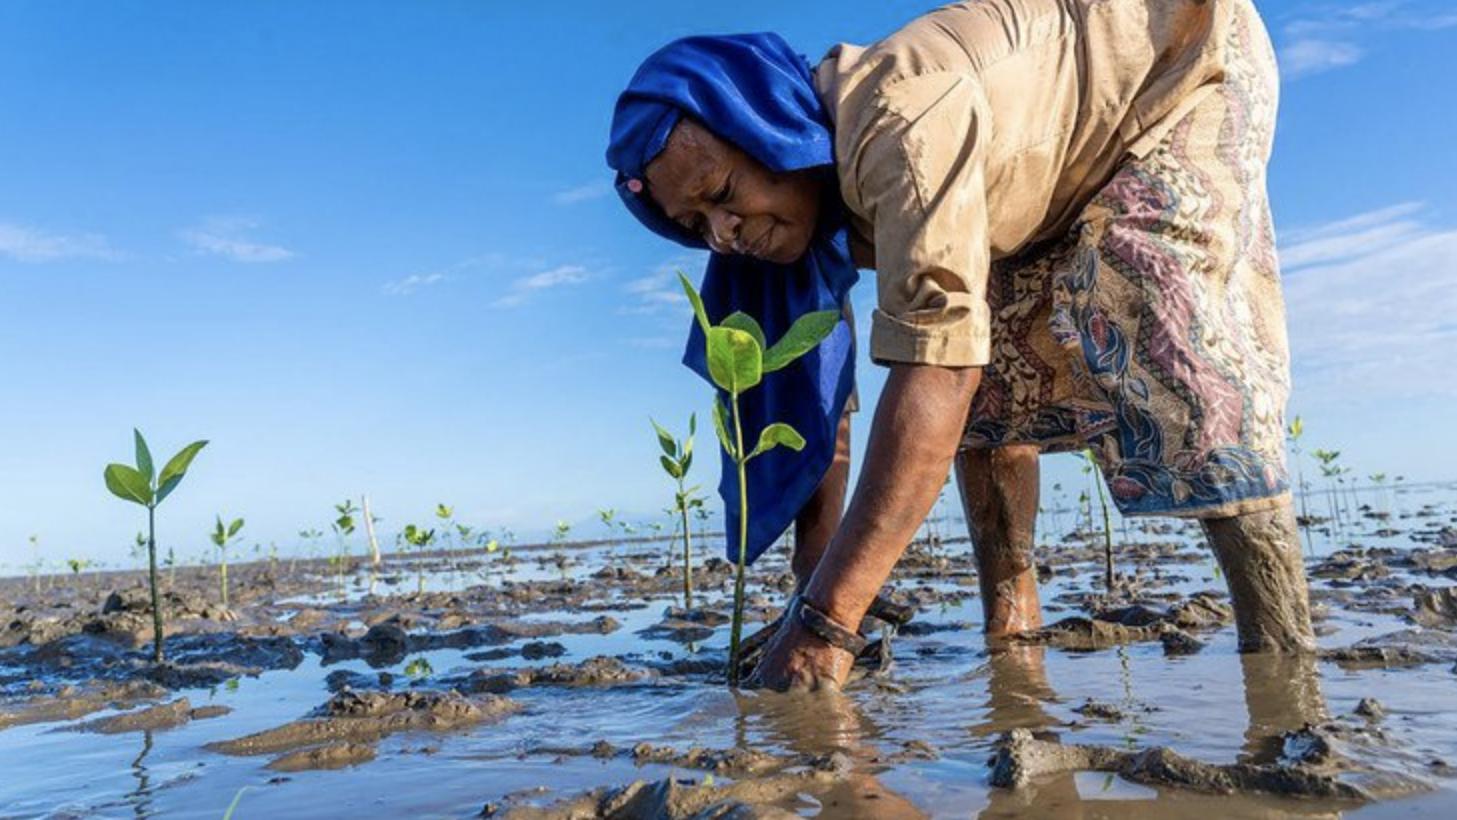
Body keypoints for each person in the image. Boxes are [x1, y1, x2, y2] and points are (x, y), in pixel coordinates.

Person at [606, 0, 1314, 691]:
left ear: (768, 130)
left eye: (723, 192)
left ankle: (1283, 660)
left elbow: (936, 372)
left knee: (1165, 333)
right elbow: (826, 389)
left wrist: (827, 624)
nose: (722, 233)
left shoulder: (901, 127)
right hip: (1033, 170)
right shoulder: (806, 203)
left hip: (1174, 58)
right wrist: (815, 574)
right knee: (996, 385)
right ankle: (1012, 636)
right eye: (693, 222)